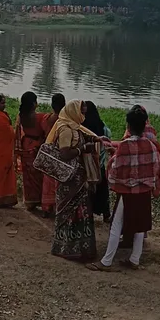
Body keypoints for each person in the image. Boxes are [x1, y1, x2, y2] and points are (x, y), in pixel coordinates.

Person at [90, 105, 160, 271]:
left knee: (116, 224)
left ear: (129, 126)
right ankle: (134, 259)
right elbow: (156, 166)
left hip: (128, 192)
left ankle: (107, 261)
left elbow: (115, 169)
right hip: (144, 191)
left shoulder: (124, 146)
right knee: (140, 225)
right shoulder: (151, 145)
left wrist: (113, 156)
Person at [47, 98, 99, 262]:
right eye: (81, 112)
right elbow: (64, 153)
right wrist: (82, 149)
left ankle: (81, 247)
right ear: (74, 112)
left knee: (81, 210)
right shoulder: (65, 129)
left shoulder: (75, 127)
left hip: (78, 177)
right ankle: (67, 248)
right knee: (71, 211)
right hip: (70, 178)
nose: (83, 115)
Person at [14, 92, 47, 211]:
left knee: (28, 176)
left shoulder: (21, 116)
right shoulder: (41, 117)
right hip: (36, 147)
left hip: (25, 147)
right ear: (33, 103)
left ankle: (30, 202)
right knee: (39, 176)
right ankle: (40, 200)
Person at [82, 101, 113, 221]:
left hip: (86, 165)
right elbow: (108, 138)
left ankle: (87, 214)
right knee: (102, 190)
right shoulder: (102, 127)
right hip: (99, 165)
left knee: (87, 192)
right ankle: (106, 215)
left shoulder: (82, 128)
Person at [39, 93, 66, 217]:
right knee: (58, 181)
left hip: (48, 151)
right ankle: (57, 208)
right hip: (60, 153)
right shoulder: (64, 121)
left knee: (47, 181)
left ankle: (46, 208)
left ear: (52, 105)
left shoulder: (47, 118)